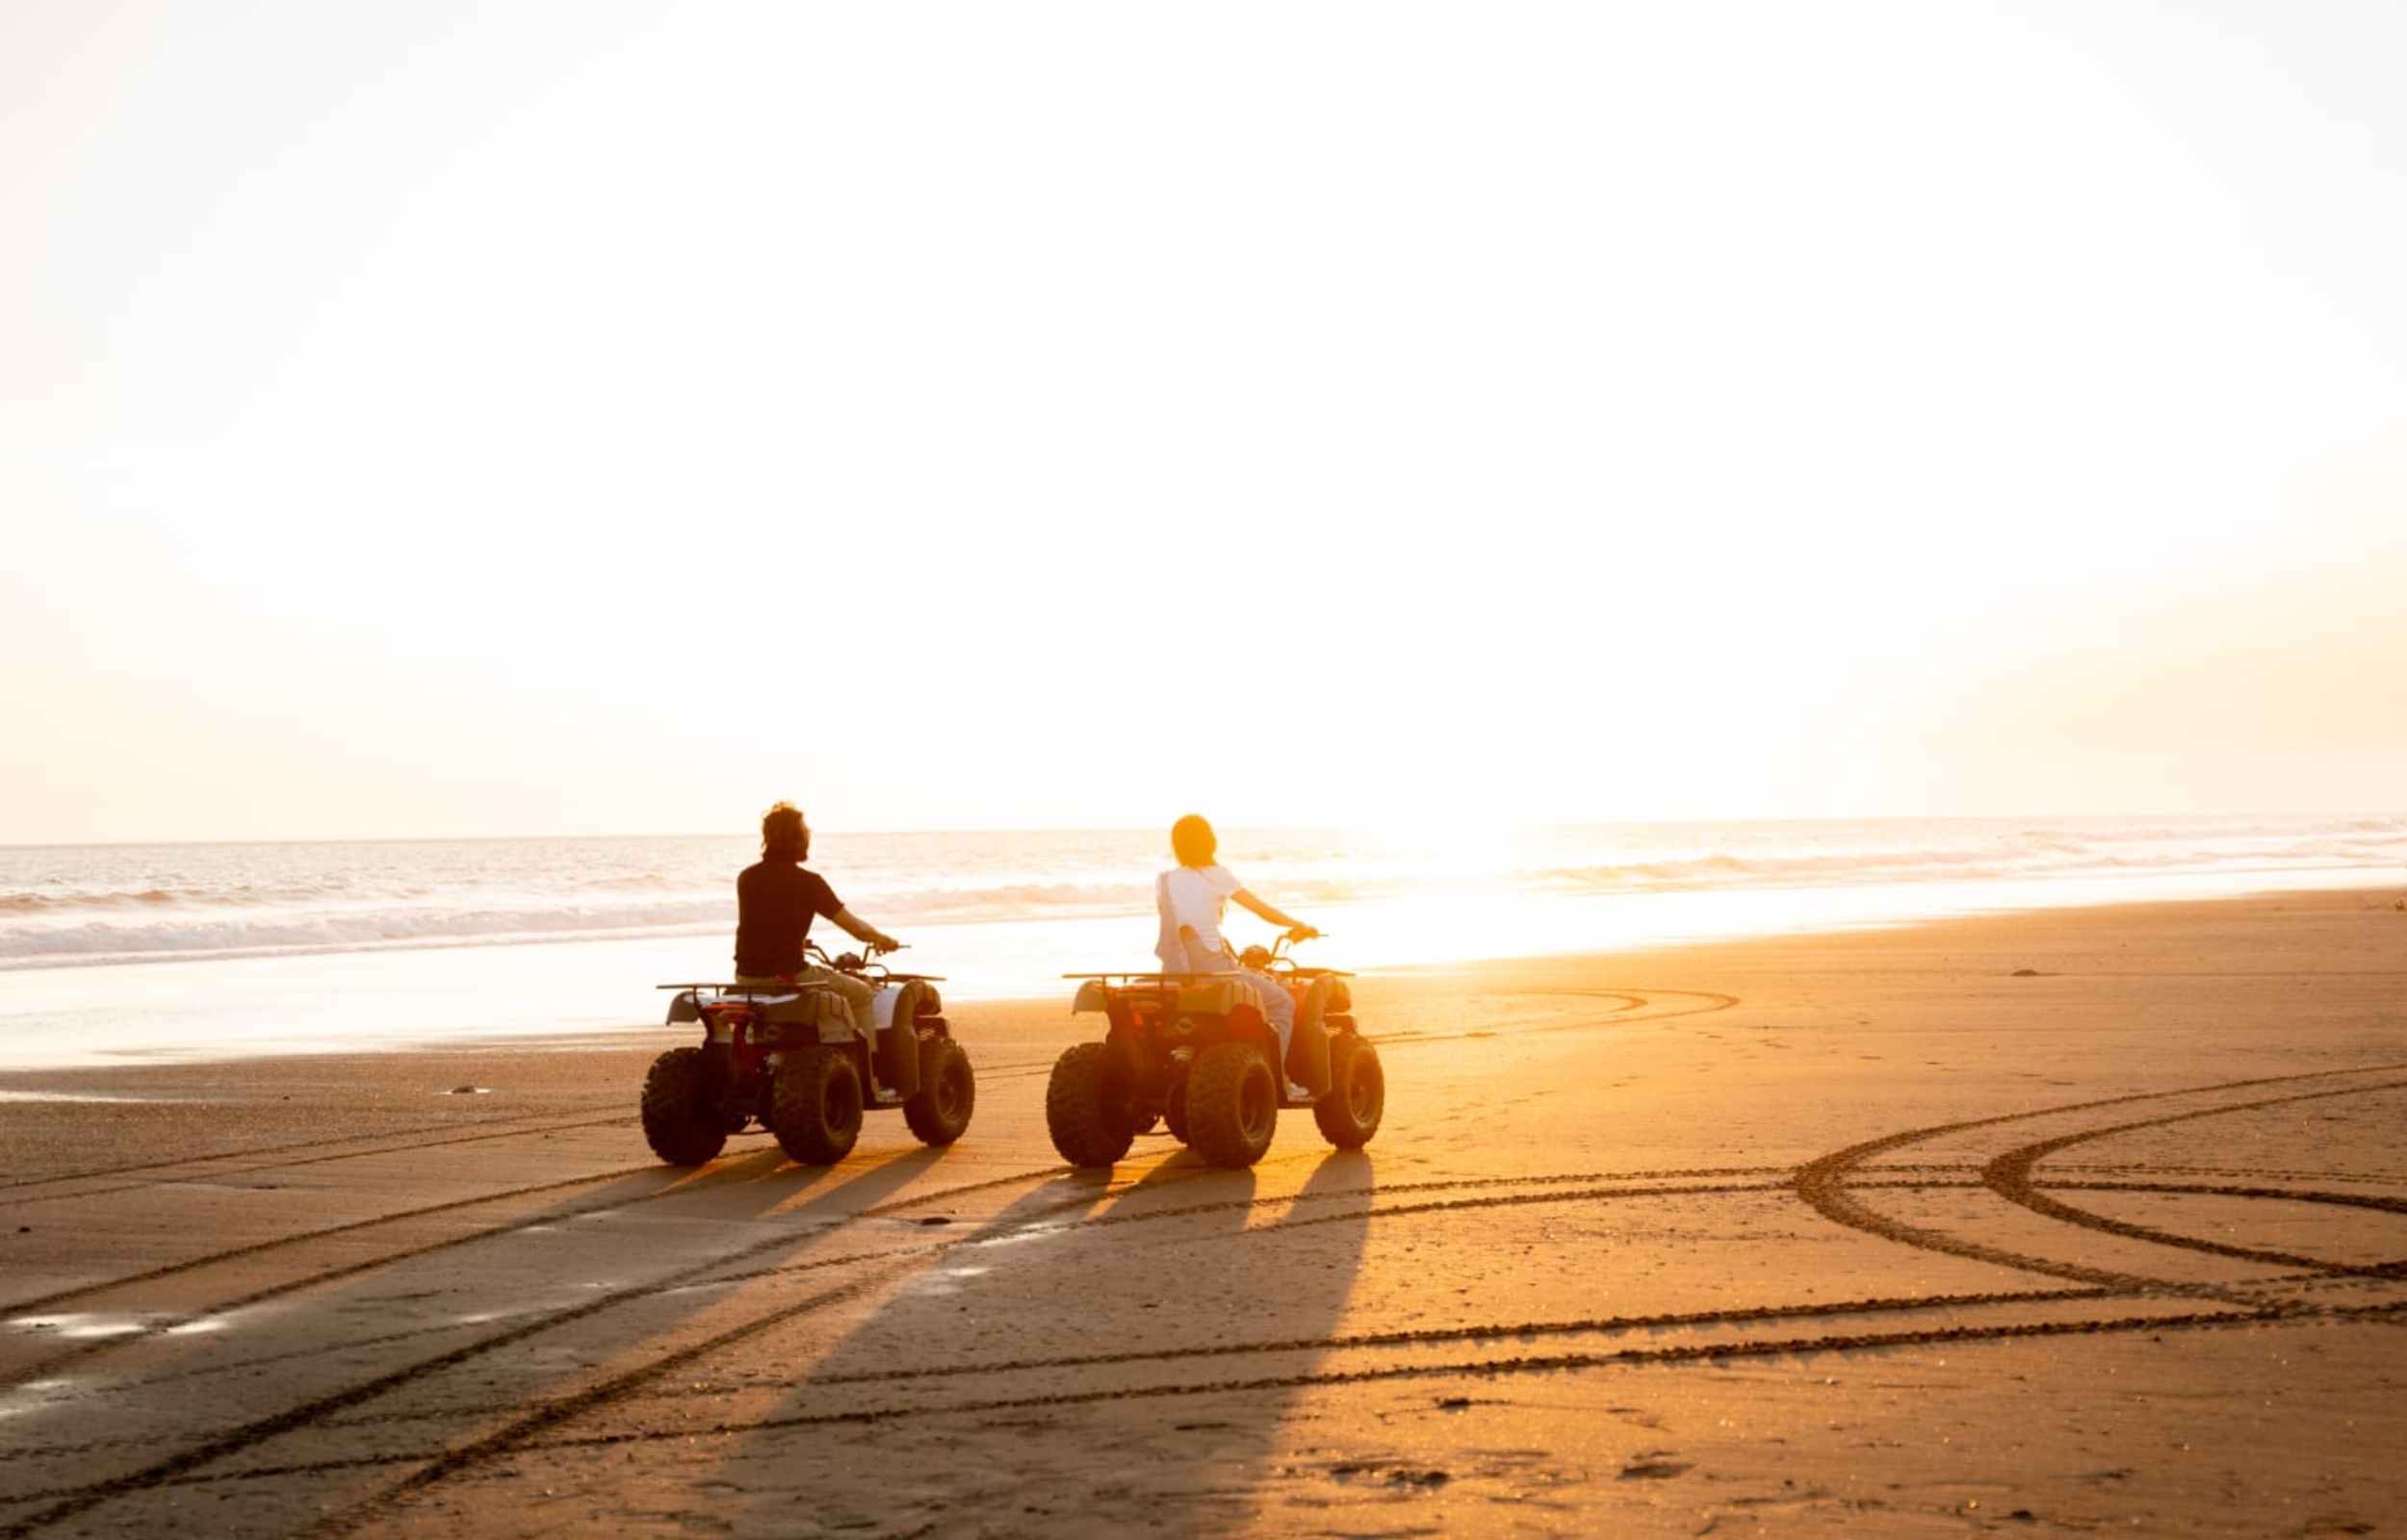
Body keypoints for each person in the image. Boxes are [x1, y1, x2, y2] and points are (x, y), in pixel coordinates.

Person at [1154, 813, 1319, 1094]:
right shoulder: (1216, 874)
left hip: (1175, 972)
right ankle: (1275, 1081)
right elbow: (1262, 910)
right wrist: (1299, 925)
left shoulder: (1164, 880)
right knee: (1282, 1003)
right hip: (1215, 970)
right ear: (1210, 842)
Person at [733, 802, 902, 1039]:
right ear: (797, 838)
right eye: (805, 831)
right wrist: (884, 940)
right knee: (861, 994)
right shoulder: (809, 882)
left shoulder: (747, 877)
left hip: (745, 977)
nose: (808, 835)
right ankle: (869, 1070)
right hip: (789, 975)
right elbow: (856, 928)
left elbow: (766, 922)